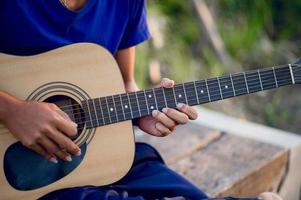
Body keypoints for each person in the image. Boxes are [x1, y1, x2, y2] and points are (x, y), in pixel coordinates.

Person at [0, 1, 283, 200]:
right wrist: (12, 109)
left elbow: (124, 82)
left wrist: (142, 112)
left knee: (177, 189)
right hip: (21, 178)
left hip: (93, 160)